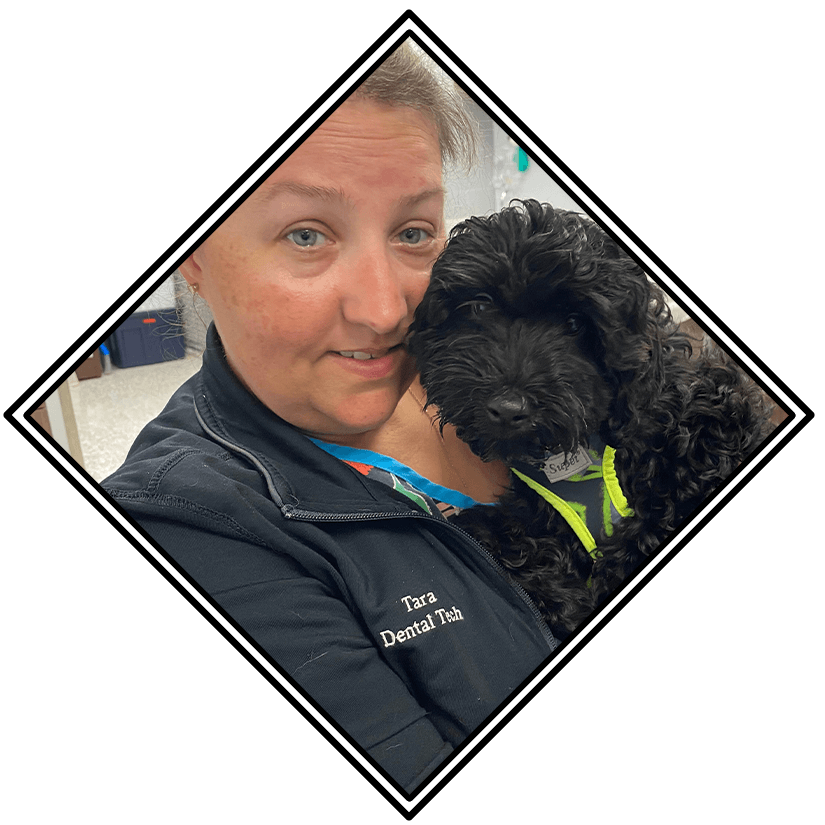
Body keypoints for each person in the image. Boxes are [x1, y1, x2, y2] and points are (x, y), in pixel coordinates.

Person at [101, 40, 557, 793]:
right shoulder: (189, 527)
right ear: (194, 259)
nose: (385, 311)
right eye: (305, 234)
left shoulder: (492, 371)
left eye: (413, 232)